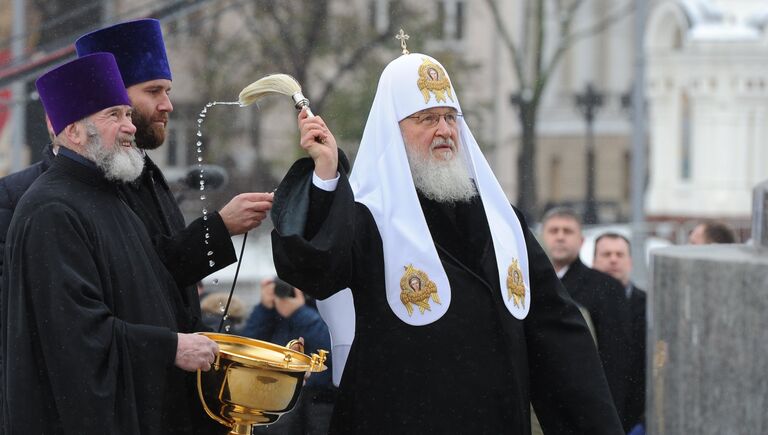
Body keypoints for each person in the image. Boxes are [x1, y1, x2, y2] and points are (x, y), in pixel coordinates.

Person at [270, 48, 623, 433]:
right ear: (395, 129)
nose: (444, 131)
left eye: (450, 117)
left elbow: (556, 332)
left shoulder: (502, 221)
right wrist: (325, 176)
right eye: (426, 119)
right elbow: (315, 268)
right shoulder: (368, 217)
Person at [1, 53, 220, 434]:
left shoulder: (111, 196)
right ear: (73, 132)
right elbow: (75, 337)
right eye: (113, 116)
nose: (129, 127)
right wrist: (171, 348)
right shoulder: (51, 210)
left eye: (127, 114)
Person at [74, 20, 273, 432]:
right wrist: (219, 226)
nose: (167, 105)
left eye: (168, 91)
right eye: (153, 92)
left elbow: (165, 281)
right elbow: (141, 280)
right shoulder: (90, 186)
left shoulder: (142, 171)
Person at [540, 206, 634, 431]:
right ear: (542, 238)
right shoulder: (526, 282)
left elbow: (615, 359)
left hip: (584, 405)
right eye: (554, 231)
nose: (560, 236)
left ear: (581, 240)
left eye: (567, 231)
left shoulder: (605, 287)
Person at [243, 277, 335, 435]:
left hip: (320, 399)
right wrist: (264, 308)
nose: (284, 293)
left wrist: (298, 312)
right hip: (276, 395)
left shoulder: (322, 306)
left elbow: (329, 348)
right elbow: (248, 347)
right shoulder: (270, 314)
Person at [593, 232, 647, 432]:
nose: (613, 260)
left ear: (630, 262)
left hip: (637, 414)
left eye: (619, 254)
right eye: (606, 254)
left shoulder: (649, 304)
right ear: (593, 261)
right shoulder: (577, 303)